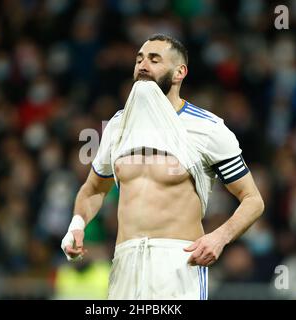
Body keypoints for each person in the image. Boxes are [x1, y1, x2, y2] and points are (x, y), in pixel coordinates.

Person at [61, 34, 265, 300]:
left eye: (154, 60)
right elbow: (93, 190)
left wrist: (219, 238)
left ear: (180, 72)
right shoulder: (118, 126)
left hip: (177, 263)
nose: (142, 65)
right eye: (139, 59)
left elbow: (253, 199)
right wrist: (76, 225)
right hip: (124, 261)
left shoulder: (208, 128)